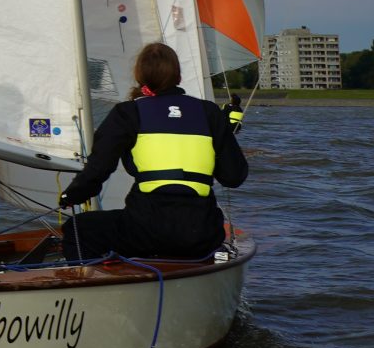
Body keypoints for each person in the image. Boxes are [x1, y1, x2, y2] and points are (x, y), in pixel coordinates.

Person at [56, 41, 248, 261]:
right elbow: (234, 177)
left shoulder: (128, 113)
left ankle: (96, 279)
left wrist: (71, 196)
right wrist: (223, 131)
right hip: (201, 235)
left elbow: (98, 168)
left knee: (78, 230)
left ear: (139, 76)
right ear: (178, 76)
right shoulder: (209, 113)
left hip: (145, 232)